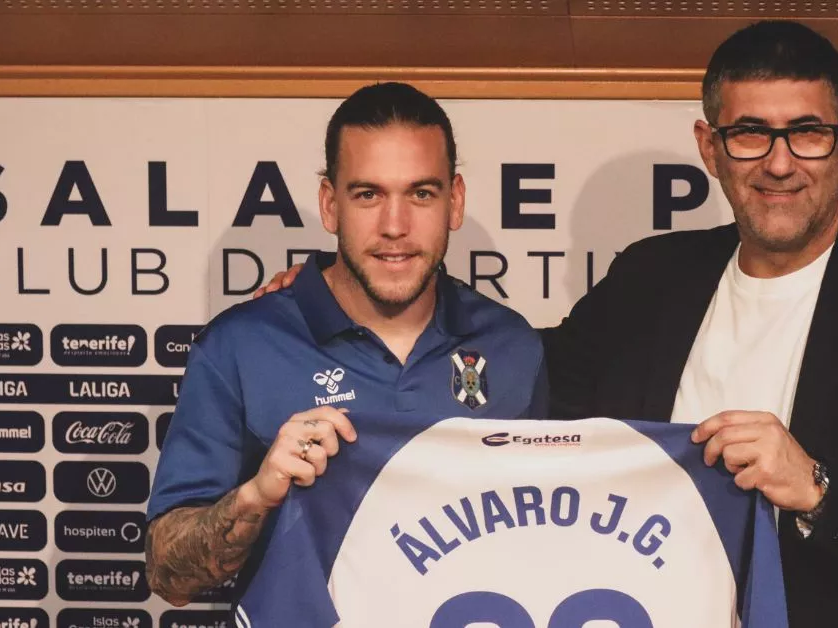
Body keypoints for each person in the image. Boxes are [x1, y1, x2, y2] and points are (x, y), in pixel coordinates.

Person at [258, 21, 838, 627]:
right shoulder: (651, 279)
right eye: (749, 133)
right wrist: (344, 291)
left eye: (807, 132)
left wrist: (818, 490)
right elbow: (516, 369)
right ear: (710, 148)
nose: (779, 162)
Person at [145, 82, 548, 607]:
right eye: (368, 195)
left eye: (421, 194)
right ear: (330, 205)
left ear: (455, 201)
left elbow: (544, 543)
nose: (395, 227)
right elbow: (168, 576)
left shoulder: (513, 346)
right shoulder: (240, 346)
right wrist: (257, 495)